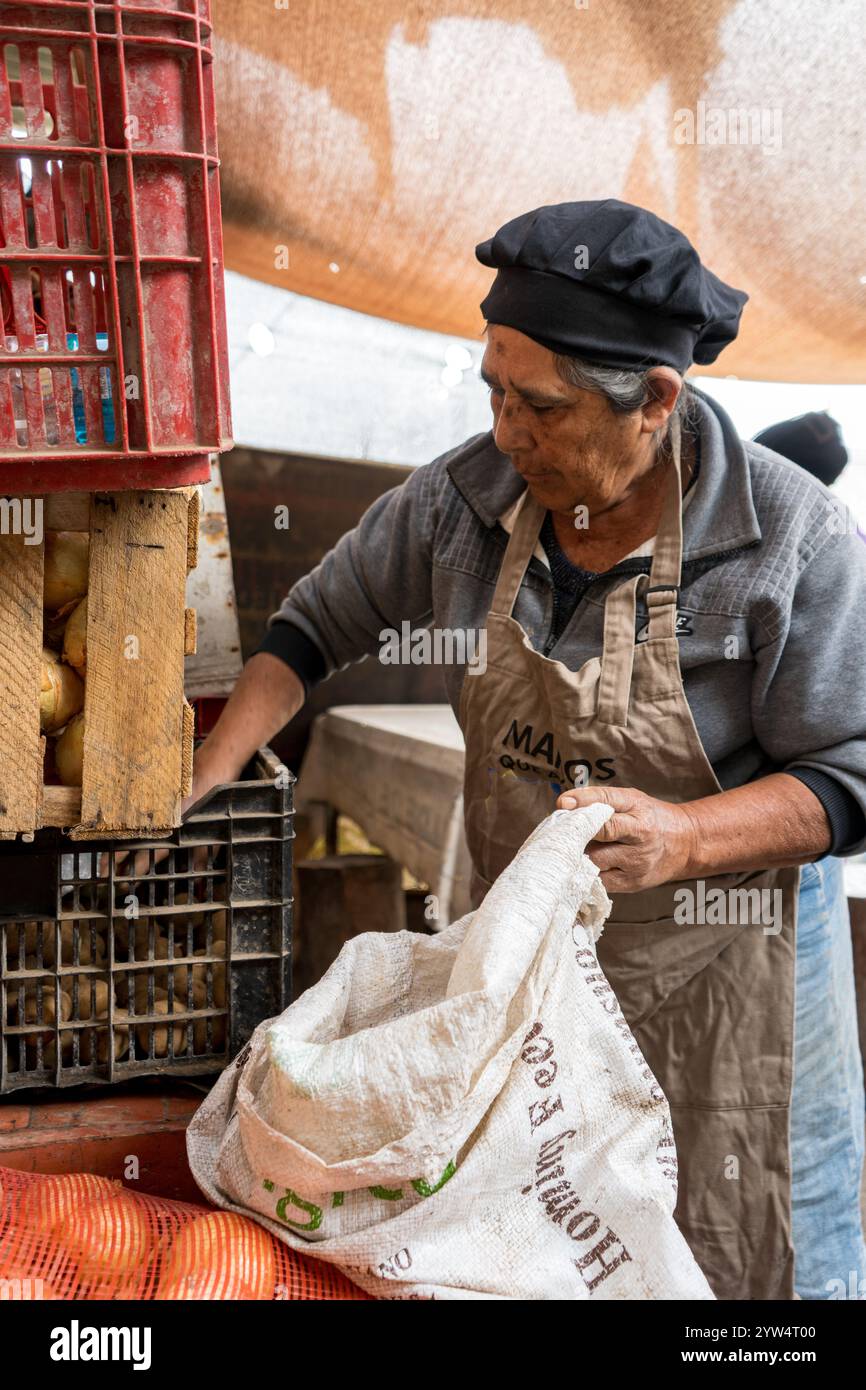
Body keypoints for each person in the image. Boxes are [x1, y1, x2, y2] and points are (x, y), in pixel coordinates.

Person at [191, 200, 866, 1301]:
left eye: (539, 407)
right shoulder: (466, 500)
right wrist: (214, 766)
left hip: (728, 981)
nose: (506, 429)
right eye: (492, 390)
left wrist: (687, 836)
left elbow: (850, 773)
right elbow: (313, 625)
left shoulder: (787, 540)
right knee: (544, 1245)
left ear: (654, 402)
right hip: (529, 982)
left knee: (741, 1257)